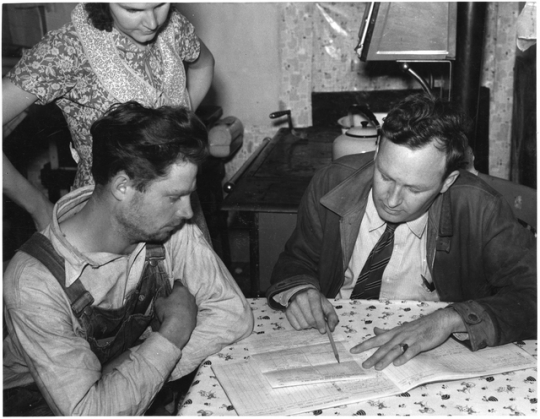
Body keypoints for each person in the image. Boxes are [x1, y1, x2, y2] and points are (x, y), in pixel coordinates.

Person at [3, 101, 253, 416]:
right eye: (174, 197)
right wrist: (172, 333)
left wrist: (130, 373)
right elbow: (89, 413)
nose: (188, 212)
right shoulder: (33, 280)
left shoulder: (167, 226)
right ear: (123, 186)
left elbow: (233, 315)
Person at [266, 93, 536, 371]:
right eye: (384, 175)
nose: (392, 200)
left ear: (447, 181)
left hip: (435, 350)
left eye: (414, 189)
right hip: (339, 341)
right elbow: (297, 258)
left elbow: (532, 294)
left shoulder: (482, 207)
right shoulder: (330, 182)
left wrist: (450, 319)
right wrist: (300, 290)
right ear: (377, 148)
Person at [3, 2, 214, 231]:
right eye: (133, 10)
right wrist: (38, 207)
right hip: (108, 222)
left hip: (179, 207)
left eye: (161, 4)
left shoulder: (174, 26)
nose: (152, 22)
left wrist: (178, 126)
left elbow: (204, 64)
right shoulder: (67, 49)